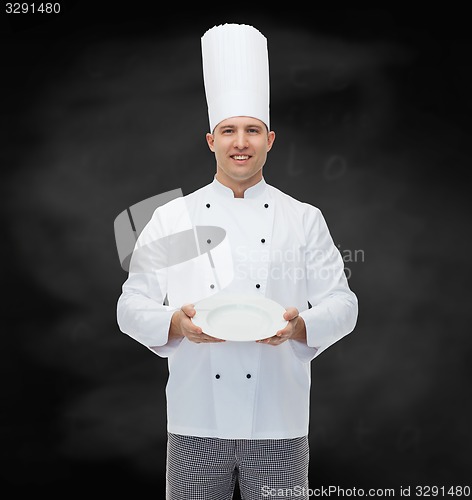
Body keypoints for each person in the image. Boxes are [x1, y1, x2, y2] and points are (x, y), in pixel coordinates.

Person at [117, 23, 358, 500]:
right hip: (194, 420)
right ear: (211, 140)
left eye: (252, 130)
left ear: (271, 139)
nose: (241, 142)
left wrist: (299, 327)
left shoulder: (303, 218)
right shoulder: (172, 217)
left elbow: (344, 304)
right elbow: (130, 305)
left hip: (279, 422)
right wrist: (174, 323)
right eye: (229, 130)